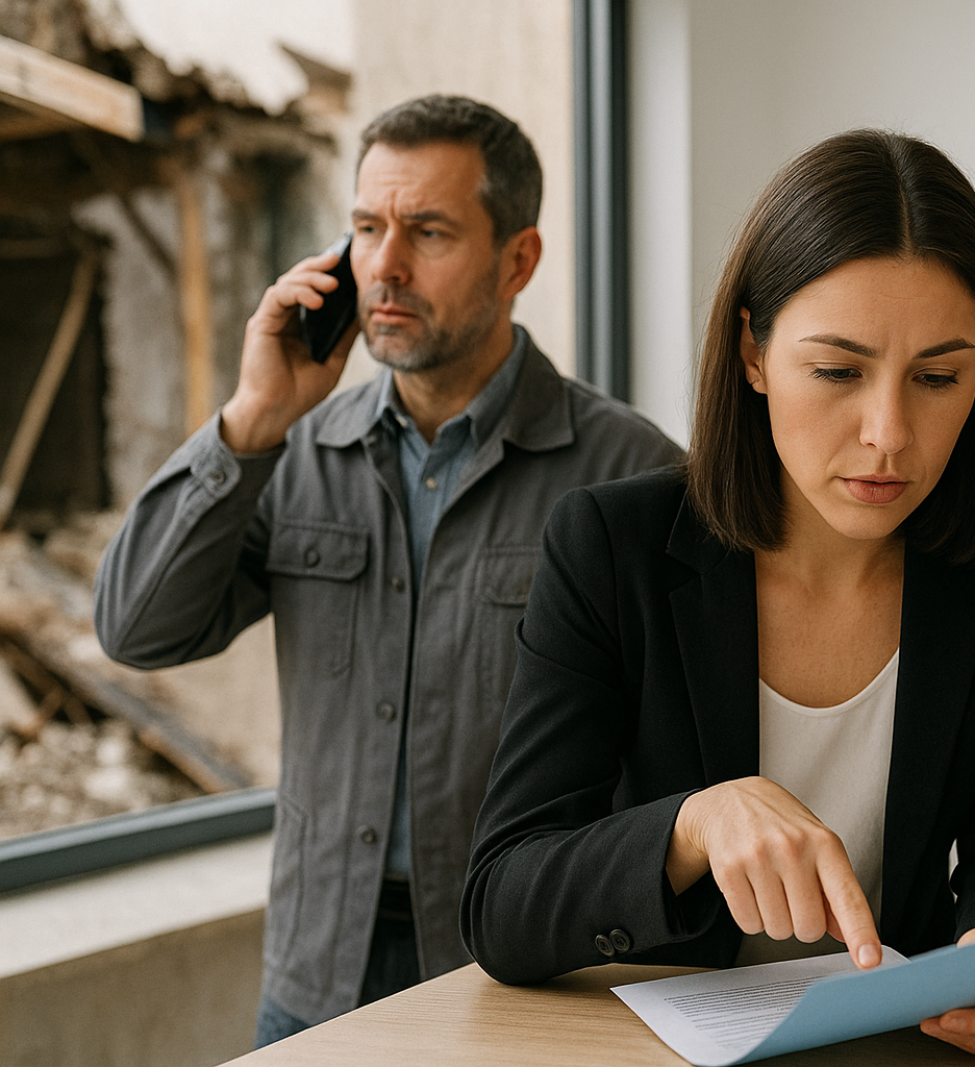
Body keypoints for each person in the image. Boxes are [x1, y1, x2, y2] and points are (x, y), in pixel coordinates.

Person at [461, 129, 975, 1058]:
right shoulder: (611, 545)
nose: (888, 434)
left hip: (903, 1044)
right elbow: (501, 900)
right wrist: (691, 823)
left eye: (939, 377)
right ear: (753, 351)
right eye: (838, 371)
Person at [93, 95, 682, 1044]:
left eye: (429, 231)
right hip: (315, 967)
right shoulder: (292, 449)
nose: (385, 266)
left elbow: (680, 765)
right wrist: (250, 419)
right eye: (366, 227)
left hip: (526, 975)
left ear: (518, 260)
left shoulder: (632, 474)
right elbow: (136, 626)